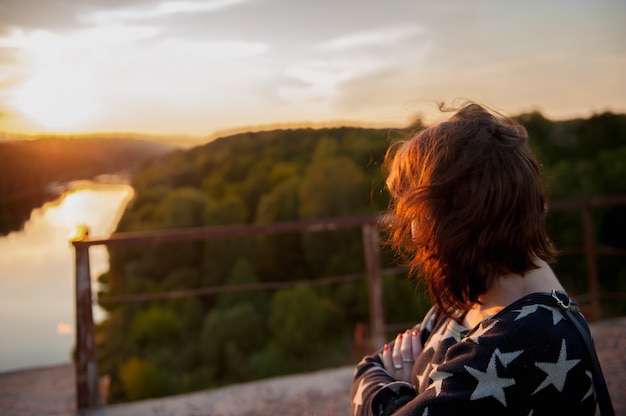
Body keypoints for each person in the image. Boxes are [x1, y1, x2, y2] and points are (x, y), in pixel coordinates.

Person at [351, 102, 603, 415]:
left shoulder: (527, 338)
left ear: (461, 217)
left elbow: (369, 377)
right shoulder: (470, 299)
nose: (415, 235)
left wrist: (392, 388)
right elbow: (371, 364)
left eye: (420, 216)